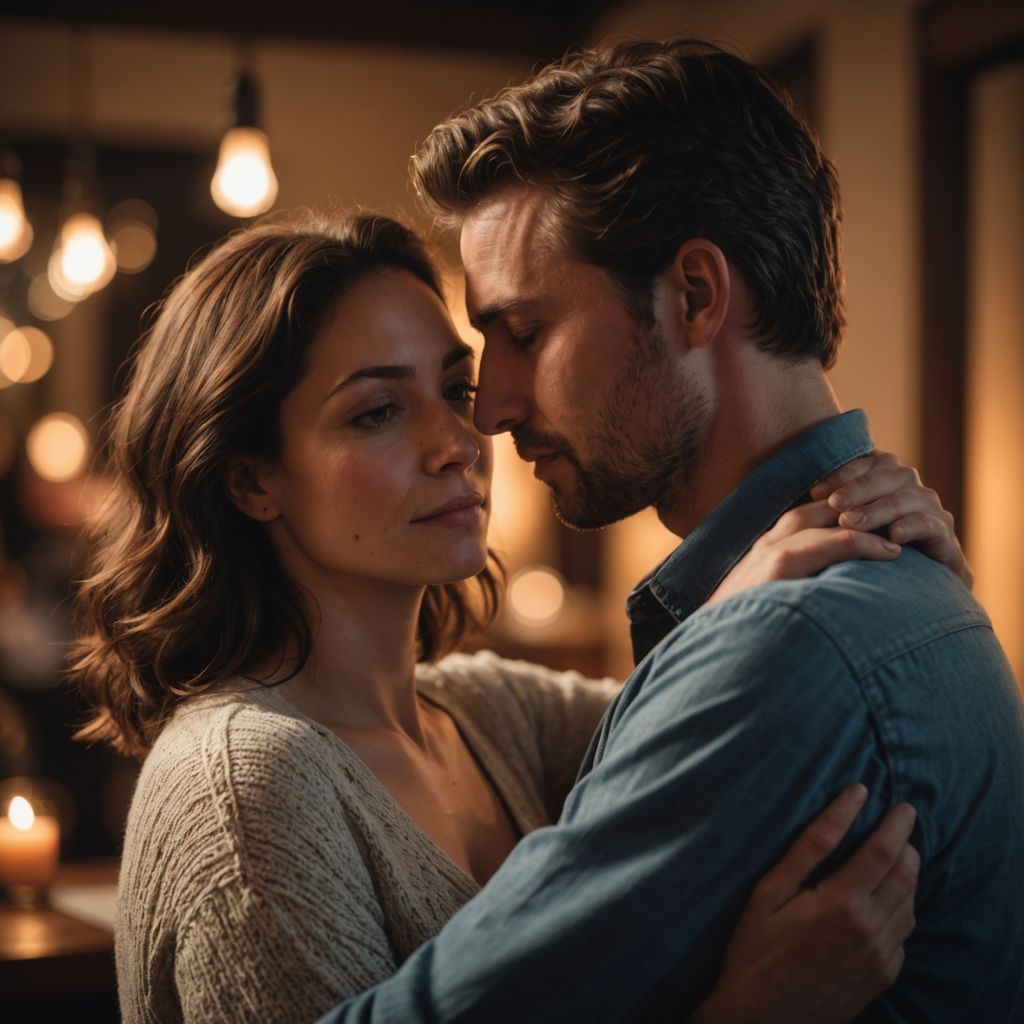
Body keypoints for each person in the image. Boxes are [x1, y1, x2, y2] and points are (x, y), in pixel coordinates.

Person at [72, 212, 956, 1024]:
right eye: (378, 411)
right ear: (251, 477)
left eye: (455, 391)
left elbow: (711, 738)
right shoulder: (243, 786)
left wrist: (902, 559)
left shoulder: (497, 715)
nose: (459, 443)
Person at [312, 38, 1024, 1022]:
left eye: (524, 332)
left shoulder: (784, 645)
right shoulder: (902, 591)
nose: (493, 407)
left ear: (694, 293)